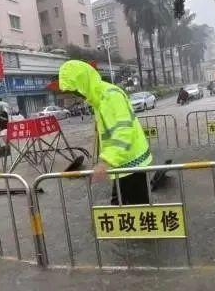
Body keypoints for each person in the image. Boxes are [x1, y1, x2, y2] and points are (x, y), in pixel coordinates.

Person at [58, 60, 152, 205]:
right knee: (122, 208)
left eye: (76, 90)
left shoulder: (110, 96)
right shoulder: (98, 99)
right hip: (122, 162)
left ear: (84, 82)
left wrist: (106, 162)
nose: (77, 96)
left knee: (135, 210)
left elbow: (123, 130)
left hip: (130, 161)